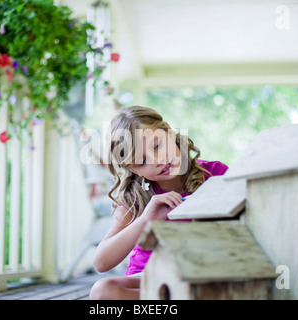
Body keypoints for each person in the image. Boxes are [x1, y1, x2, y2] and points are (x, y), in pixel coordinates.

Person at [89, 106, 228, 300]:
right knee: (102, 291)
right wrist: (146, 219)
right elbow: (101, 262)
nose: (156, 160)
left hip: (199, 275)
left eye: (156, 146)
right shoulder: (136, 197)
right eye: (142, 161)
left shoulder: (215, 174)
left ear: (169, 132)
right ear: (134, 171)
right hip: (148, 278)